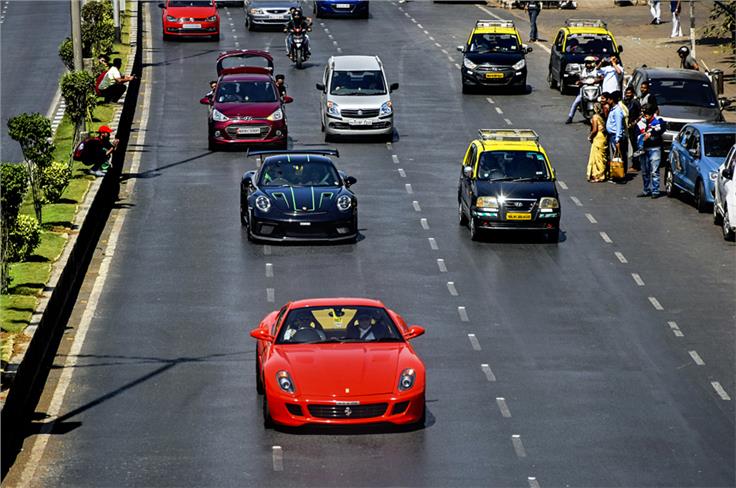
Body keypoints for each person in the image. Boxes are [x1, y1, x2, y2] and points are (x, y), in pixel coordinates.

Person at [638, 104, 666, 198]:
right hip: (643, 149)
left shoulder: (658, 121)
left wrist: (650, 133)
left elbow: (662, 128)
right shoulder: (641, 121)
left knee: (654, 171)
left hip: (655, 149)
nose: (645, 115)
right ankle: (646, 190)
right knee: (645, 171)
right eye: (644, 113)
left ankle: (655, 191)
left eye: (647, 113)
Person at [566, 56, 601, 124]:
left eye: (589, 62)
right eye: (587, 62)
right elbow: (580, 78)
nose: (588, 64)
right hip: (585, 89)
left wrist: (597, 80)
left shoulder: (597, 70)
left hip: (595, 89)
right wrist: (579, 81)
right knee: (576, 101)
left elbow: (600, 77)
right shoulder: (584, 70)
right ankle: (570, 117)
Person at [605, 91, 629, 173]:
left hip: (616, 136)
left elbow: (619, 126)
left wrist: (617, 139)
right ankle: (617, 173)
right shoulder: (613, 109)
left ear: (612, 100)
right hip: (612, 136)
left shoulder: (617, 111)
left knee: (619, 156)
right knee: (616, 157)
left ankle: (621, 174)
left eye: (608, 99)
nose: (607, 101)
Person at [586, 102, 608, 182]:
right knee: (600, 157)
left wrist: (590, 136)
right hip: (602, 137)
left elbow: (595, 129)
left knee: (597, 157)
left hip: (598, 137)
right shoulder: (601, 117)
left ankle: (598, 176)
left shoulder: (595, 117)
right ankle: (599, 174)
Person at [623, 87, 642, 172]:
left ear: (633, 94)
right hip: (627, 127)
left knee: (635, 146)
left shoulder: (635, 102)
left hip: (634, 127)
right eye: (626, 93)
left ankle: (636, 165)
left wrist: (634, 122)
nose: (627, 95)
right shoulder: (625, 102)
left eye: (629, 93)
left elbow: (641, 114)